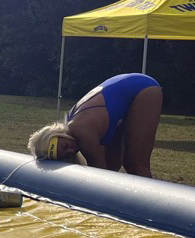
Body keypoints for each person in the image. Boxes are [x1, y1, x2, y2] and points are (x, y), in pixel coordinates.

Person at [27, 73, 162, 177]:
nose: (71, 151)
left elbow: (100, 175)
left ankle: (151, 204)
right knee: (112, 165)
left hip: (142, 88)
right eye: (65, 156)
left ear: (58, 134)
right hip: (127, 88)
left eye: (66, 146)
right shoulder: (70, 123)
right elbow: (109, 168)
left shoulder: (82, 131)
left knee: (135, 163)